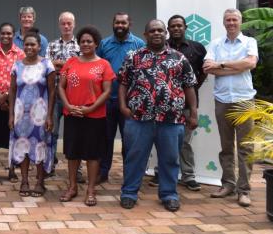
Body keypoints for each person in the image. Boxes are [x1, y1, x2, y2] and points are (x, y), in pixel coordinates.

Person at [119, 20, 197, 212]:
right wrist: (122, 106)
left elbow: (189, 85)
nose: (156, 33)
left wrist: (193, 113)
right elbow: (122, 82)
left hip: (171, 119)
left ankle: (169, 195)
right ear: (145, 34)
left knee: (170, 159)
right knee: (134, 157)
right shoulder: (133, 57)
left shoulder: (179, 58)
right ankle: (129, 193)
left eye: (160, 30)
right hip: (139, 118)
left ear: (165, 34)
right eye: (152, 30)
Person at [204, 8, 258, 207]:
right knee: (226, 147)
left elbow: (250, 63)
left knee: (245, 147)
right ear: (224, 22)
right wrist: (237, 66)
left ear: (240, 22)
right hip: (223, 101)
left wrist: (222, 65)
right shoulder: (216, 43)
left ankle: (244, 190)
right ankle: (228, 184)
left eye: (234, 19)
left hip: (244, 101)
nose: (231, 23)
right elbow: (208, 68)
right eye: (228, 20)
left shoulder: (250, 42)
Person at [58, 26, 115, 206]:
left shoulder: (103, 64)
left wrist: (90, 109)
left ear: (96, 43)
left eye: (89, 41)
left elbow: (107, 91)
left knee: (92, 154)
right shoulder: (71, 63)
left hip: (94, 116)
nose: (86, 44)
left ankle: (91, 190)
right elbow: (61, 86)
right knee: (72, 154)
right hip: (72, 113)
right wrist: (67, 105)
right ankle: (72, 187)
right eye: (82, 41)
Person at [150, 15, 207, 191]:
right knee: (163, 140)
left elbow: (202, 71)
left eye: (179, 26)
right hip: (163, 106)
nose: (176, 29)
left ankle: (188, 175)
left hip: (187, 105)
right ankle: (161, 173)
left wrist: (194, 87)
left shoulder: (197, 48)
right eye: (172, 26)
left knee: (185, 142)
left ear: (185, 27)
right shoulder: (160, 47)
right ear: (168, 29)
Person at [96, 12, 145, 183]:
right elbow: (98, 68)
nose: (120, 25)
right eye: (117, 22)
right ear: (113, 23)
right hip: (108, 101)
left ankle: (129, 174)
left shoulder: (139, 44)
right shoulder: (104, 44)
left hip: (129, 103)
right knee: (105, 139)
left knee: (129, 141)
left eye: (123, 22)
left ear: (129, 23)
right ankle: (102, 172)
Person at [8, 31, 56, 198]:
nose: (29, 47)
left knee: (40, 145)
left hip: (40, 114)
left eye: (32, 44)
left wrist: (50, 116)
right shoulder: (17, 65)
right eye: (26, 44)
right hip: (21, 114)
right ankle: (24, 181)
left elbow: (52, 91)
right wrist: (11, 115)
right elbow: (12, 91)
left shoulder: (47, 65)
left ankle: (39, 182)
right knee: (23, 146)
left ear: (39, 46)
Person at [0, 22, 25, 182]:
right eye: (3, 33)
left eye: (9, 33)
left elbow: (21, 77)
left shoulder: (20, 54)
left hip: (13, 102)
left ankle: (12, 170)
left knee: (12, 137)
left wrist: (7, 96)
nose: (6, 36)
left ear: (13, 35)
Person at [46, 11, 81, 180]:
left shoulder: (81, 45)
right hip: (54, 94)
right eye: (63, 23)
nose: (66, 26)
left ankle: (77, 170)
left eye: (69, 23)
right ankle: (49, 165)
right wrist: (70, 65)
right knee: (51, 130)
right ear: (59, 25)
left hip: (74, 95)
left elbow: (82, 68)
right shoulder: (52, 45)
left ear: (74, 25)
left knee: (75, 133)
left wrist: (61, 64)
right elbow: (47, 66)